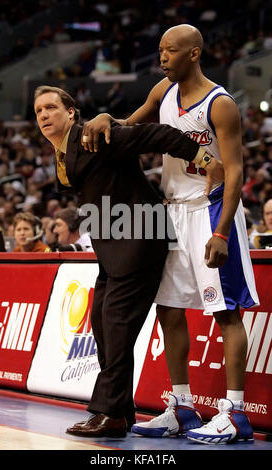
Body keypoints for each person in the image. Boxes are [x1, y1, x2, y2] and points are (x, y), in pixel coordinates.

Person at [81, 24, 259, 444]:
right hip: (172, 212)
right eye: (160, 50)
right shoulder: (162, 92)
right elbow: (128, 128)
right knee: (168, 308)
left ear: (194, 53)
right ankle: (181, 407)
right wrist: (108, 117)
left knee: (226, 312)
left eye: (170, 51)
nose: (162, 57)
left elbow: (234, 170)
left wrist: (220, 232)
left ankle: (234, 413)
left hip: (210, 211)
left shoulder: (220, 104)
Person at [34, 84, 223, 438]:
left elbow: (158, 133)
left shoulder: (94, 136)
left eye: (50, 108)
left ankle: (110, 415)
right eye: (38, 111)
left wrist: (206, 160)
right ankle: (119, 411)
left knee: (118, 327)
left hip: (140, 238)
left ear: (71, 112)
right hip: (112, 246)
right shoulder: (61, 153)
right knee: (103, 326)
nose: (43, 115)